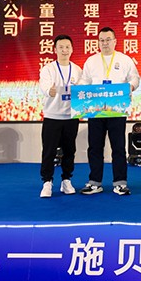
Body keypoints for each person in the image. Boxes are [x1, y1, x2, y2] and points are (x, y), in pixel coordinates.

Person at [79, 27, 140, 196]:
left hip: (117, 110)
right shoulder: (91, 61)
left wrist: (131, 87)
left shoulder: (124, 59)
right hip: (96, 110)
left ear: (115, 41)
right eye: (101, 40)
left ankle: (120, 183)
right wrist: (80, 88)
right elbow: (84, 80)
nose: (105, 43)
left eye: (108, 39)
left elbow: (135, 78)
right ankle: (95, 182)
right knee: (95, 147)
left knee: (118, 147)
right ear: (98, 42)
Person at [38, 35, 82, 198]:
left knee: (70, 150)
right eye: (61, 47)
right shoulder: (48, 69)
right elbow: (44, 86)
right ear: (55, 49)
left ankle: (66, 180)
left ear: (72, 49)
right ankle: (47, 182)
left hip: (71, 117)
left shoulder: (77, 70)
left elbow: (83, 90)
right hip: (52, 116)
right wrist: (49, 91)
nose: (64, 50)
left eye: (67, 47)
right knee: (49, 151)